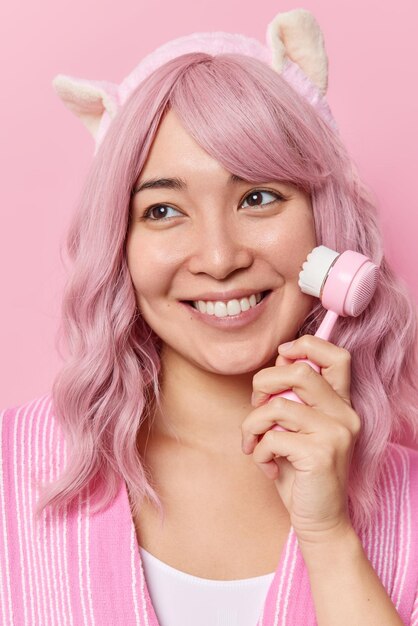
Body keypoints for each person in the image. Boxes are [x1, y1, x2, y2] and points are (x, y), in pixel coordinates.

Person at [1, 8, 418, 626]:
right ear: (120, 245)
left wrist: (330, 537)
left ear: (326, 229)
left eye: (258, 197)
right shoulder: (14, 466)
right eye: (164, 210)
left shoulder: (407, 501)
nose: (220, 259)